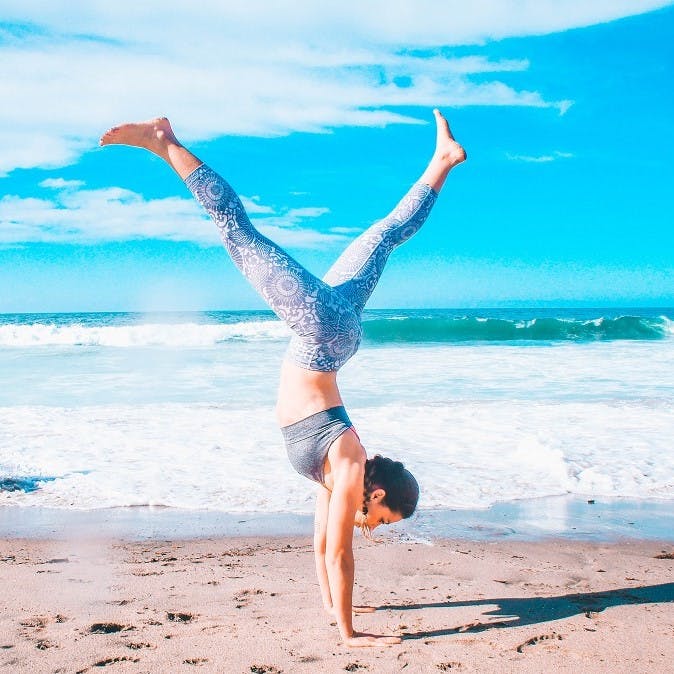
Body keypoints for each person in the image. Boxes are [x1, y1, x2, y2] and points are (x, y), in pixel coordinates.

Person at [100, 110, 466, 646]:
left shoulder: (337, 474)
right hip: (324, 332)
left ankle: (442, 163)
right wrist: (350, 633)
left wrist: (329, 606)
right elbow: (341, 551)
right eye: (384, 520)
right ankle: (166, 142)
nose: (377, 528)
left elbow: (321, 549)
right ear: (378, 493)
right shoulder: (348, 467)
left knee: (385, 236)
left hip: (330, 334)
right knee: (239, 234)